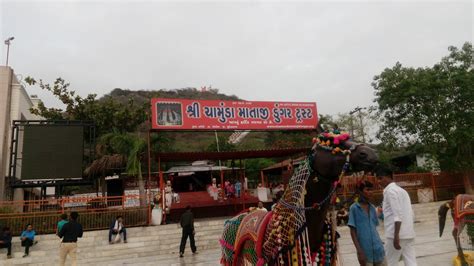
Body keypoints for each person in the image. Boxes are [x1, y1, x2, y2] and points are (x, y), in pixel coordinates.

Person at [377, 168, 417, 266]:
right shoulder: (401, 190)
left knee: (390, 262)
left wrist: (396, 236)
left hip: (395, 235)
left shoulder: (391, 192)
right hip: (408, 234)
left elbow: (397, 215)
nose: (378, 181)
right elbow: (410, 214)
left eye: (380, 178)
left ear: (388, 177)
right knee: (411, 262)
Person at [348, 181, 386, 266]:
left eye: (371, 190)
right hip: (365, 252)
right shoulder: (354, 208)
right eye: (368, 190)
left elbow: (374, 228)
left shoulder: (372, 208)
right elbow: (352, 231)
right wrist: (359, 251)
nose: (370, 192)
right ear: (360, 192)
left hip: (378, 250)